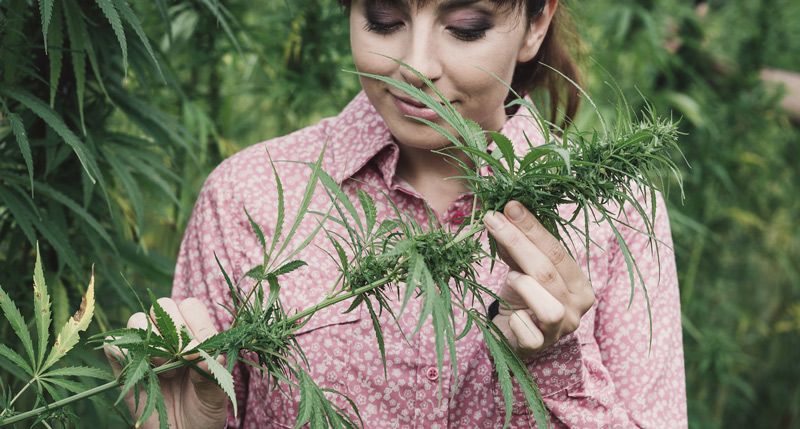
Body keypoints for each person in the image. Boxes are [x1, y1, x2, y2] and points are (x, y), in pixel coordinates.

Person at [106, 0, 688, 427]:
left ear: (536, 24)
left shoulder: (620, 217)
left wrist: (555, 365)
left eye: (465, 28)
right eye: (384, 20)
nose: (414, 66)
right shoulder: (250, 196)